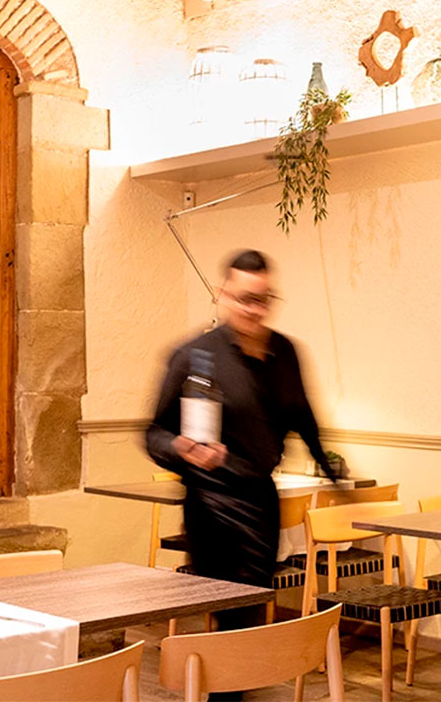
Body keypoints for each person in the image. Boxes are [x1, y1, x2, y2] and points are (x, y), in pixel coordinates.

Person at [144, 249, 339, 631]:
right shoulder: (194, 356)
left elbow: (304, 418)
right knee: (230, 615)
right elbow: (153, 433)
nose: (254, 310)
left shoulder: (284, 352)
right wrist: (180, 449)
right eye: (245, 299)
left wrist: (335, 478)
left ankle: (239, 669)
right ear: (223, 295)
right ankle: (221, 671)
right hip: (211, 504)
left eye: (263, 300)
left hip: (262, 501)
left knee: (254, 613)